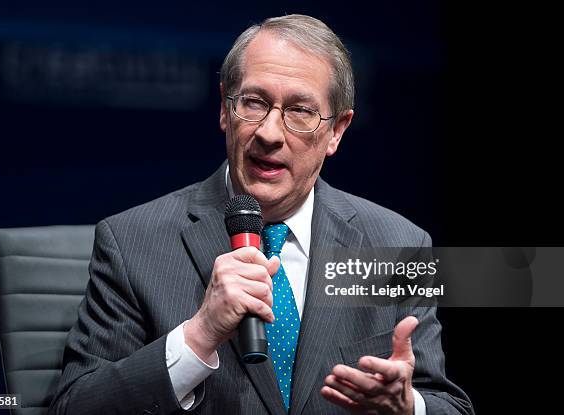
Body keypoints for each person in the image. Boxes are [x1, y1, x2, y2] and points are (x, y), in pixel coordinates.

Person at [49, 14, 473, 415]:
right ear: (224, 109)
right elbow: (75, 405)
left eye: (300, 112)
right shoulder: (132, 242)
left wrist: (408, 407)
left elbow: (446, 404)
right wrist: (198, 336)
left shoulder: (397, 246)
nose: (269, 133)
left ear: (336, 131)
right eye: (253, 103)